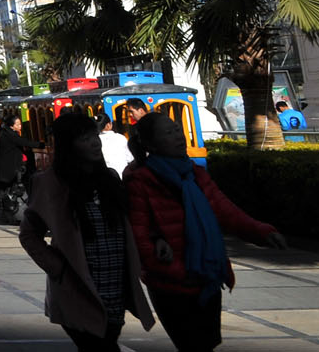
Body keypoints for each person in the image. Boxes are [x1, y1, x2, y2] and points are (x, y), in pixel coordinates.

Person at [125, 112, 285, 351]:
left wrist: (262, 232)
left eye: (177, 130)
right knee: (192, 345)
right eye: (168, 133)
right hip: (171, 286)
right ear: (150, 144)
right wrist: (177, 272)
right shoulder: (140, 182)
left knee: (207, 345)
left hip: (206, 279)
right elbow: (139, 238)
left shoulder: (195, 175)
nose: (178, 136)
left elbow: (225, 211)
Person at [18, 111, 154, 351]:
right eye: (83, 138)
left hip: (116, 283)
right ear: (68, 145)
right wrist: (57, 267)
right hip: (79, 285)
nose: (94, 142)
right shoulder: (50, 183)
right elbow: (30, 234)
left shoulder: (110, 178)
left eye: (94, 135)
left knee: (107, 340)